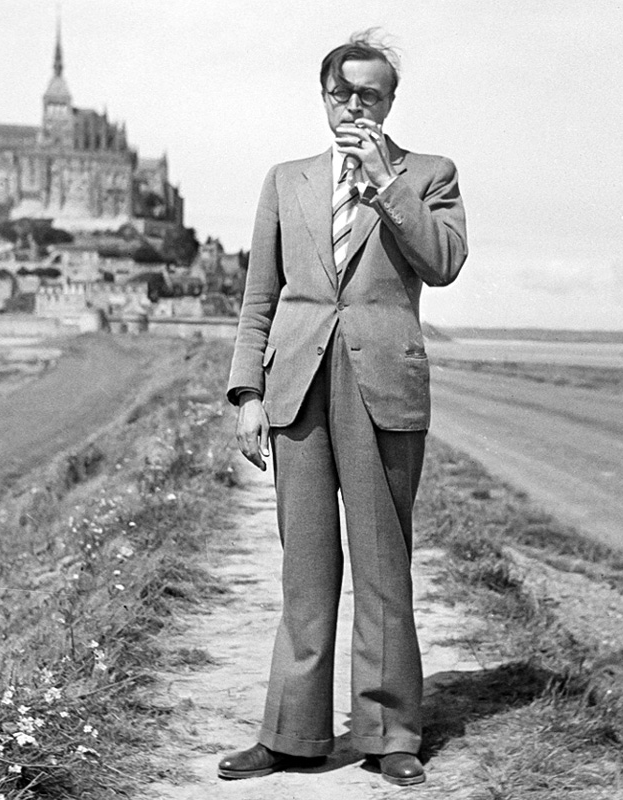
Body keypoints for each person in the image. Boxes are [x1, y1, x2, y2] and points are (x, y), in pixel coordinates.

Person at [220, 31, 467, 787]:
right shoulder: (285, 179)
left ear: (390, 101)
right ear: (324, 95)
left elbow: (445, 262)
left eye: (373, 95)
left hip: (384, 389)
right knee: (306, 569)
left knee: (385, 567)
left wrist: (387, 181)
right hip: (296, 389)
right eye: (344, 92)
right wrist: (247, 394)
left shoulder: (429, 174)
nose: (356, 105)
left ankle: (390, 733)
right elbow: (259, 297)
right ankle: (292, 735)